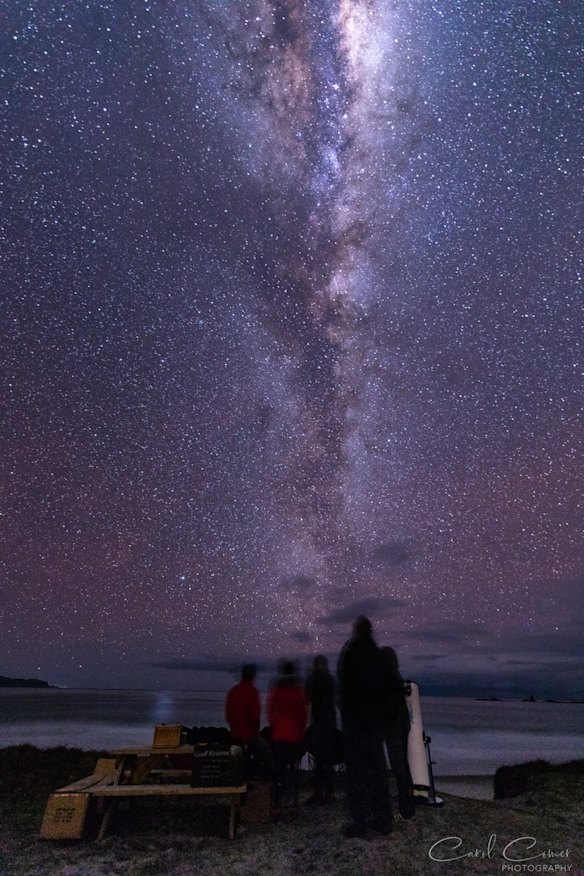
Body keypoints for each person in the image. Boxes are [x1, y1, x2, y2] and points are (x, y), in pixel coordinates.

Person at [337, 616, 393, 838]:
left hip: (356, 724)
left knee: (357, 775)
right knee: (378, 773)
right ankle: (384, 820)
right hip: (374, 725)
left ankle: (360, 823)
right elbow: (387, 687)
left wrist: (347, 714)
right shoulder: (379, 656)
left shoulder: (350, 653)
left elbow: (344, 686)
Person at [267, 660, 307, 817]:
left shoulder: (277, 689)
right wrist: (301, 732)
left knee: (279, 770)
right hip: (295, 736)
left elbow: (271, 710)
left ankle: (277, 803)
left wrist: (274, 727)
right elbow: (302, 714)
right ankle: (291, 803)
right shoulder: (298, 690)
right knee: (293, 771)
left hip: (279, 735)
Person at [380, 646, 415, 820]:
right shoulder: (396, 677)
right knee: (403, 766)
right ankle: (408, 805)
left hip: (394, 727)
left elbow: (390, 707)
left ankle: (405, 808)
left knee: (399, 768)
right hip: (402, 725)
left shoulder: (387, 678)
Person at [225, 663, 274, 778]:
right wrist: (254, 731)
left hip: (235, 734)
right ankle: (269, 781)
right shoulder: (251, 691)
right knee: (268, 755)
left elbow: (228, 714)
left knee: (240, 759)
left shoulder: (233, 691)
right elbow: (255, 715)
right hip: (249, 735)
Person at [305, 654, 337, 804]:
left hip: (321, 723)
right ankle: (327, 793)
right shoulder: (329, 680)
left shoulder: (313, 680)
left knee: (321, 760)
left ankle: (320, 793)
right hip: (326, 723)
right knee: (326, 760)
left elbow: (307, 697)